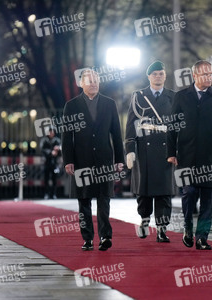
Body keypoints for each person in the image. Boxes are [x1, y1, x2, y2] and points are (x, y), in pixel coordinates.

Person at [167, 60, 212, 250]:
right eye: (205, 74)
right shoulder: (181, 97)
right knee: (188, 193)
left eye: (211, 74)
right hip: (186, 155)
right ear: (195, 76)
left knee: (207, 197)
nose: (209, 77)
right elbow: (172, 127)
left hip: (209, 156)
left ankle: (202, 237)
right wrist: (171, 152)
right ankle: (188, 228)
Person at [62, 68, 124, 251]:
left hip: (104, 160)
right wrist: (68, 160)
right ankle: (87, 238)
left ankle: (105, 236)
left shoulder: (109, 104)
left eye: (96, 80)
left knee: (104, 199)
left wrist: (119, 159)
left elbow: (116, 134)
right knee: (84, 201)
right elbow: (67, 136)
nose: (94, 83)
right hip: (82, 160)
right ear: (81, 84)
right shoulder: (71, 106)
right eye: (89, 81)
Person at [125, 61, 175, 243]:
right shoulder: (138, 96)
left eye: (161, 73)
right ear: (149, 77)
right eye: (155, 74)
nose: (158, 77)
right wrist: (130, 149)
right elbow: (130, 124)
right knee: (143, 193)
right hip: (143, 149)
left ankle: (162, 229)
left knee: (164, 193)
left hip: (165, 150)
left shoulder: (173, 97)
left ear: (165, 75)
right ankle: (144, 220)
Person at [39, 128, 61, 199]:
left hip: (55, 162)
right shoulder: (44, 140)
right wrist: (50, 152)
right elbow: (42, 149)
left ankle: (54, 194)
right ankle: (46, 193)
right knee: (46, 179)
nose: (51, 133)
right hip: (46, 162)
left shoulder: (57, 140)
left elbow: (61, 149)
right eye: (50, 132)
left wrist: (58, 149)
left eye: (52, 132)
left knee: (55, 179)